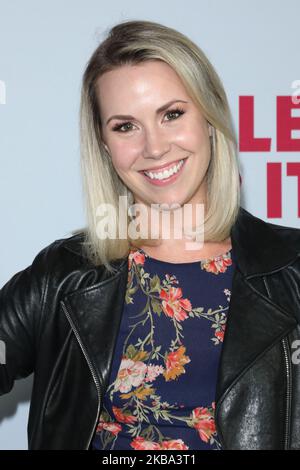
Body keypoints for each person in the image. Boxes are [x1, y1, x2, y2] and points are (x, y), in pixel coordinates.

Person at [1, 19, 300, 451]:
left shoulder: (291, 270)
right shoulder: (65, 274)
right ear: (104, 144)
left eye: (172, 114)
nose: (154, 147)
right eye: (125, 126)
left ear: (210, 118)